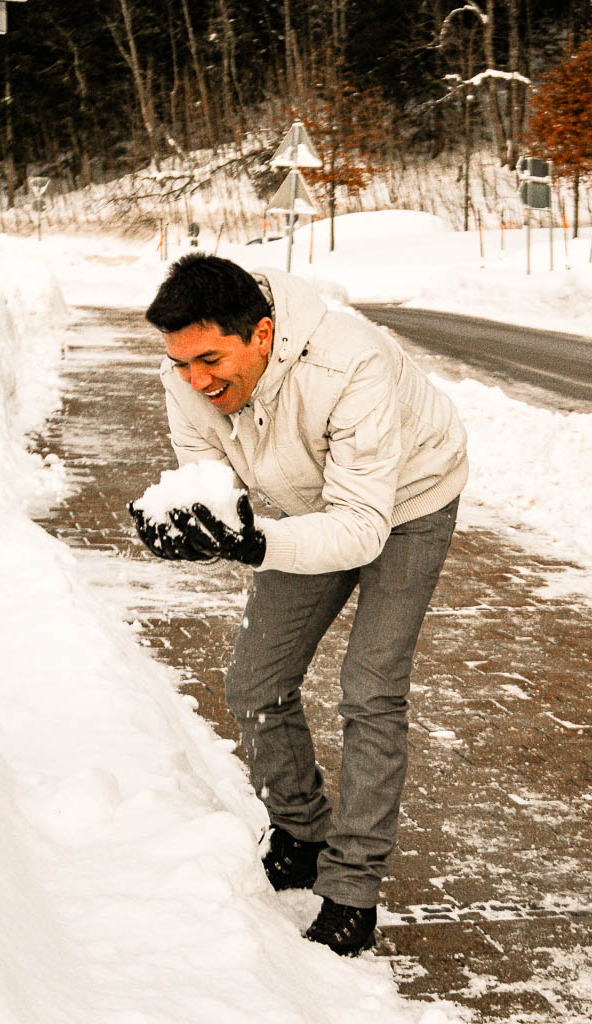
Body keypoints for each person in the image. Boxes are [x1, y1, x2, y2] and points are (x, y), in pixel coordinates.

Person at [129, 253, 468, 956]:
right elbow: (211, 477)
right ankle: (300, 831)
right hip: (301, 509)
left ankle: (352, 884)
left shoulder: (350, 364)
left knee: (369, 688)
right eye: (182, 361)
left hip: (405, 503)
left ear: (261, 333)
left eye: (210, 359)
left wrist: (255, 545)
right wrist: (187, 523)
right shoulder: (185, 377)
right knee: (255, 681)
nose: (196, 380)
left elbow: (361, 526)